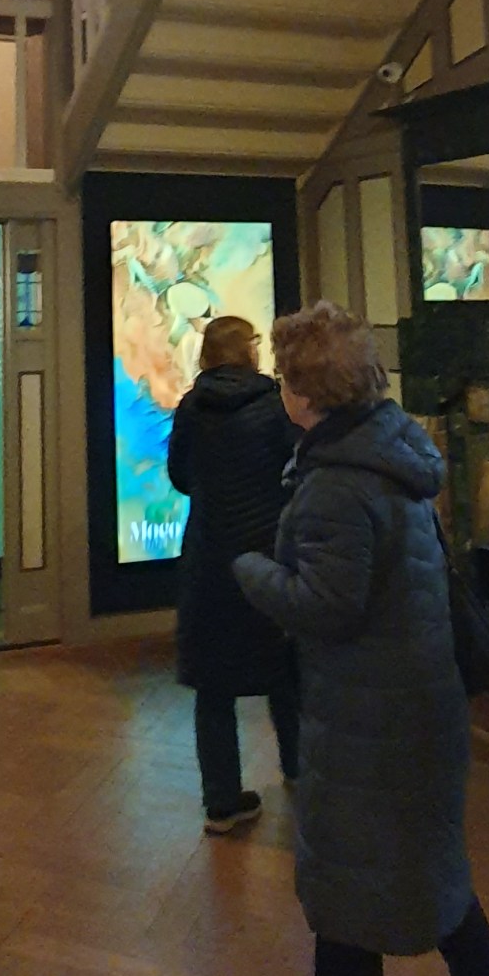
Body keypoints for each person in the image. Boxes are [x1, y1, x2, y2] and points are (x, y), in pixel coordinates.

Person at [235, 302, 489, 976]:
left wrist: (250, 570)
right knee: (437, 884)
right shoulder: (390, 451)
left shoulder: (337, 484)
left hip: (369, 723)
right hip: (415, 710)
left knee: (346, 899)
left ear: (306, 391)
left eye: (285, 376)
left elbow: (324, 606)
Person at [167, 315, 299, 834]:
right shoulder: (274, 406)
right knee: (285, 669)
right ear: (249, 351)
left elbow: (180, 477)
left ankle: (222, 801)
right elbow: (294, 469)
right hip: (269, 551)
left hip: (210, 555)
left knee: (213, 683)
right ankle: (299, 769)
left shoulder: (191, 407)